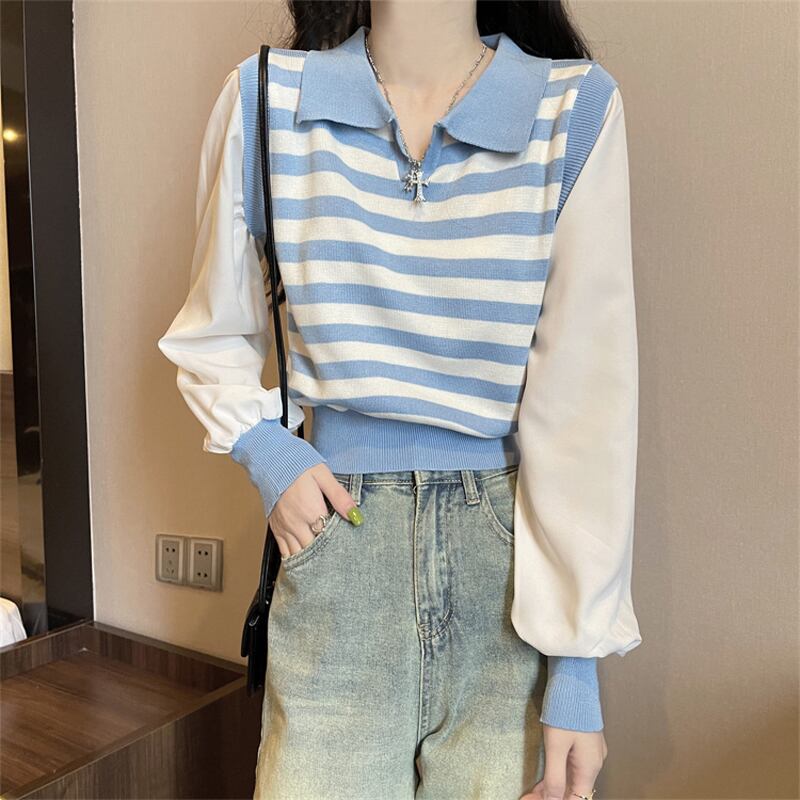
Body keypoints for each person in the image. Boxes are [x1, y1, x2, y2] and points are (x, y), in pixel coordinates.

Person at [157, 2, 642, 798]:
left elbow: (586, 408)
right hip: (338, 546)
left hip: (508, 578)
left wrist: (576, 668)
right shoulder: (267, 99)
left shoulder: (573, 109)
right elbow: (210, 334)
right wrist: (269, 451)